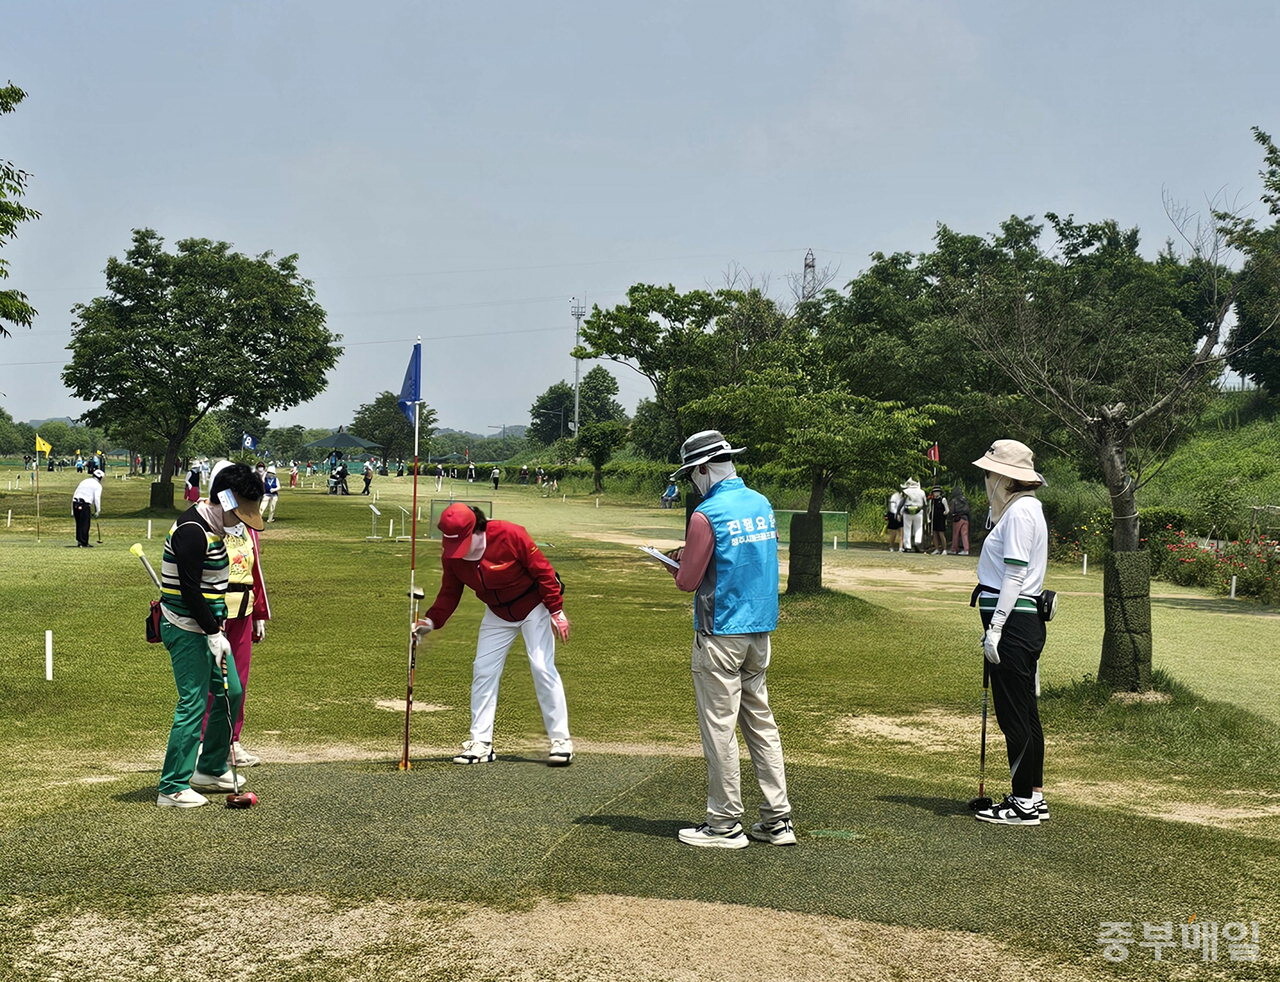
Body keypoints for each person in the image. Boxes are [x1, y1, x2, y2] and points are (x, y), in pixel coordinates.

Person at [663, 430, 794, 850]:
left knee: (720, 728)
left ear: (703, 468)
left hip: (720, 632)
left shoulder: (706, 513)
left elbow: (688, 582)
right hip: (760, 631)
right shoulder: (760, 502)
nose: (692, 482)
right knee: (761, 724)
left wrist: (673, 564)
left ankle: (724, 823)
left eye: (691, 474)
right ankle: (777, 820)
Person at [414, 503, 573, 767]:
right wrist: (430, 621)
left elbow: (543, 571)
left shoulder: (510, 534)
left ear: (478, 529)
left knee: (541, 666)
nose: (459, 553)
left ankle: (561, 741)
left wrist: (556, 610)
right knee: (483, 670)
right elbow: (450, 592)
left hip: (533, 606)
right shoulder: (452, 556)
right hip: (497, 613)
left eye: (464, 544)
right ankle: (481, 743)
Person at [155, 462, 264, 807]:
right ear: (224, 501)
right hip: (185, 628)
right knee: (193, 702)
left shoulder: (218, 527)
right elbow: (189, 591)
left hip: (206, 626)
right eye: (241, 513)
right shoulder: (192, 530)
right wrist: (213, 632)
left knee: (231, 691)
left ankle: (210, 767)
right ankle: (171, 786)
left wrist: (216, 630)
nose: (243, 523)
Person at [971, 440, 1050, 827]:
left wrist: (996, 628)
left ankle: (1022, 805)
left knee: (1014, 714)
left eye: (989, 473)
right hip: (1020, 623)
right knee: (1026, 711)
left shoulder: (1020, 514)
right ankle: (1032, 795)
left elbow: (1015, 574)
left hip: (1013, 625)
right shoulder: (1021, 509)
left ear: (1002, 476)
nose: (985, 479)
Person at [199, 460, 272, 768]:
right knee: (212, 681)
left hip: (242, 612)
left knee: (238, 682)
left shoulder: (247, 525)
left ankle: (233, 741)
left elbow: (255, 570)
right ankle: (204, 743)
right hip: (211, 615)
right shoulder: (205, 521)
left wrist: (259, 613)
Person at [71, 469, 104, 548]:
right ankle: (84, 542)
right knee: (85, 524)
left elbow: (76, 493)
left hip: (75, 503)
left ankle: (80, 541)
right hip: (84, 504)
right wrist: (98, 510)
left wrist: (72, 510)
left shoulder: (84, 481)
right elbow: (97, 498)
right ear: (100, 478)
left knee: (79, 524)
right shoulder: (98, 485)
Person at [898, 478, 926, 553]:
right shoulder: (922, 492)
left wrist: (898, 512)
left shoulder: (905, 491)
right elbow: (925, 503)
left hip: (907, 511)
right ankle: (917, 542)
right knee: (918, 528)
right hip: (918, 511)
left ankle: (907, 546)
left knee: (907, 529)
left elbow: (902, 502)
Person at [927, 485, 950, 554]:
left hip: (941, 519)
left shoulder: (943, 499)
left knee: (941, 534)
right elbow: (930, 510)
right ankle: (937, 549)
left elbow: (947, 510)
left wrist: (944, 513)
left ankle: (944, 549)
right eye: (934, 492)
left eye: (937, 492)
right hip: (934, 519)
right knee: (934, 534)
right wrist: (929, 518)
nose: (936, 493)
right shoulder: (932, 501)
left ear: (940, 492)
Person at [950, 486, 971, 556]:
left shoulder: (954, 500)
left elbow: (952, 510)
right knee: (964, 534)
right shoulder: (965, 499)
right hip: (965, 518)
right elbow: (968, 509)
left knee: (956, 534)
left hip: (957, 518)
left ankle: (954, 549)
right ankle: (966, 550)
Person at [885, 487, 904, 552]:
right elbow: (892, 507)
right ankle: (891, 546)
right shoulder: (895, 496)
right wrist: (897, 514)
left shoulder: (905, 497)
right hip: (894, 515)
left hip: (902, 515)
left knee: (901, 532)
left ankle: (901, 547)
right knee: (893, 532)